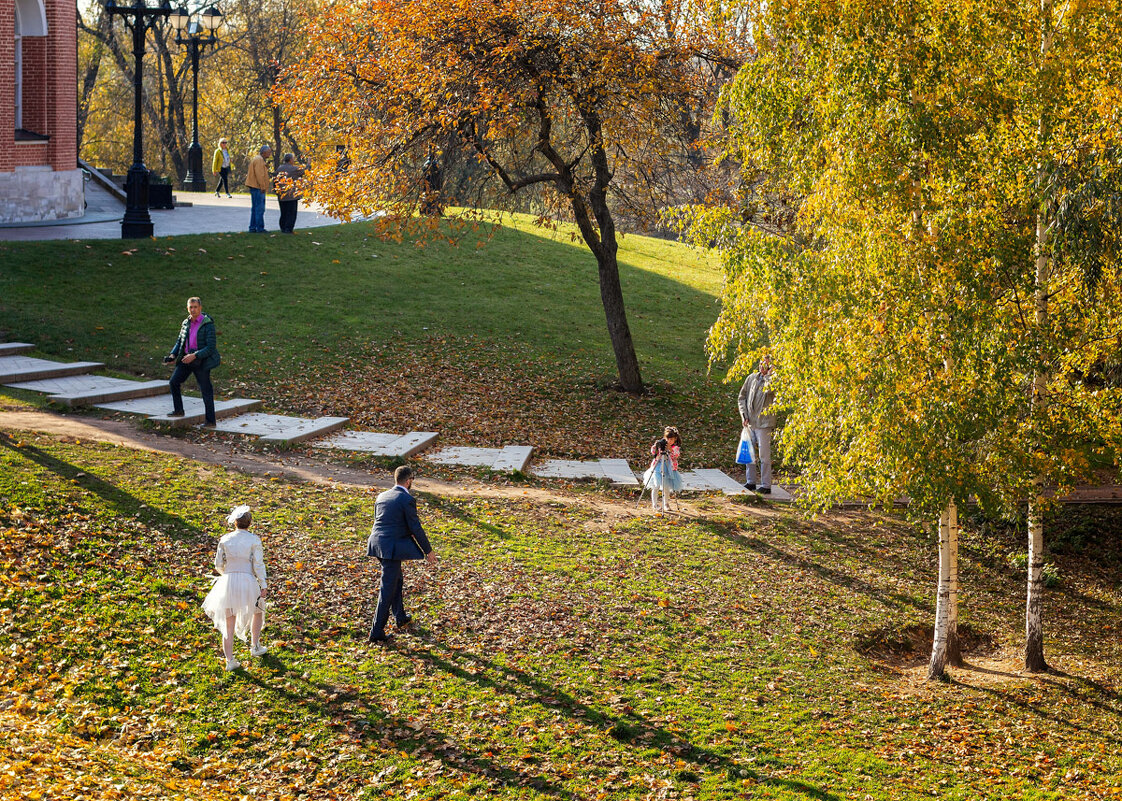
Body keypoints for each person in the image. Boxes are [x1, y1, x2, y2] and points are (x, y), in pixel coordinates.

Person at [366, 465, 437, 643]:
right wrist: (428, 551)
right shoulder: (406, 499)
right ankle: (376, 632)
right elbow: (415, 527)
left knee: (397, 580)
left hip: (377, 544)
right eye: (412, 480)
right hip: (391, 549)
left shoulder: (382, 496)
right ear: (408, 480)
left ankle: (400, 616)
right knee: (387, 589)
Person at [201, 505, 268, 671]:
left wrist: (227, 574)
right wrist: (263, 583)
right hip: (248, 580)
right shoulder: (254, 540)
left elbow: (218, 564)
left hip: (228, 581)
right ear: (249, 523)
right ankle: (255, 646)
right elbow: (258, 564)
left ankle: (229, 660)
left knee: (228, 622)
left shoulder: (225, 539)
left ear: (235, 522)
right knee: (257, 611)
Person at [164, 296, 220, 427]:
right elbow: (180, 340)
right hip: (186, 359)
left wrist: (195, 355)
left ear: (200, 308)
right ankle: (178, 410)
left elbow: (211, 347)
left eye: (195, 307)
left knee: (206, 390)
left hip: (201, 361)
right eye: (191, 307)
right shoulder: (186, 323)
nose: (193, 310)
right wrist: (173, 354)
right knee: (174, 382)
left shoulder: (207, 324)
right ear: (187, 308)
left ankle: (210, 421)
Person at [738, 355, 776, 493]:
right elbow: (741, 397)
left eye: (766, 364)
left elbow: (769, 390)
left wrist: (768, 376)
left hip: (764, 424)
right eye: (761, 363)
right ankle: (751, 482)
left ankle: (766, 485)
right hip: (750, 423)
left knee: (764, 455)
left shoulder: (773, 380)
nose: (762, 366)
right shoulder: (751, 378)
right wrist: (744, 415)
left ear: (771, 366)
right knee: (749, 452)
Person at [642, 426, 683, 511]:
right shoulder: (661, 443)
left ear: (675, 439)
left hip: (669, 468)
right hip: (658, 466)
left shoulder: (675, 447)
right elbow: (653, 452)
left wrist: (670, 449)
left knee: (666, 487)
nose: (669, 441)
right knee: (655, 485)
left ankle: (666, 504)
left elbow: (676, 455)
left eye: (671, 439)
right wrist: (655, 446)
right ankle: (654, 504)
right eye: (668, 439)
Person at [274, 153, 305, 234]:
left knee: (283, 212)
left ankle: (283, 228)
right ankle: (288, 229)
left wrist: (276, 192)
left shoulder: (279, 168)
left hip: (281, 195)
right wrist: (308, 163)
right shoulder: (294, 169)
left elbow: (275, 180)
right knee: (291, 213)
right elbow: (304, 171)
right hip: (291, 196)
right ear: (291, 160)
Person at [245, 144, 272, 233]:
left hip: (255, 187)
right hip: (258, 187)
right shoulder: (259, 160)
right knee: (260, 208)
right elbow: (260, 175)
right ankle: (260, 228)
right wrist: (263, 187)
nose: (270, 154)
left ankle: (252, 228)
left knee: (255, 208)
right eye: (269, 152)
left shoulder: (258, 159)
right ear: (264, 152)